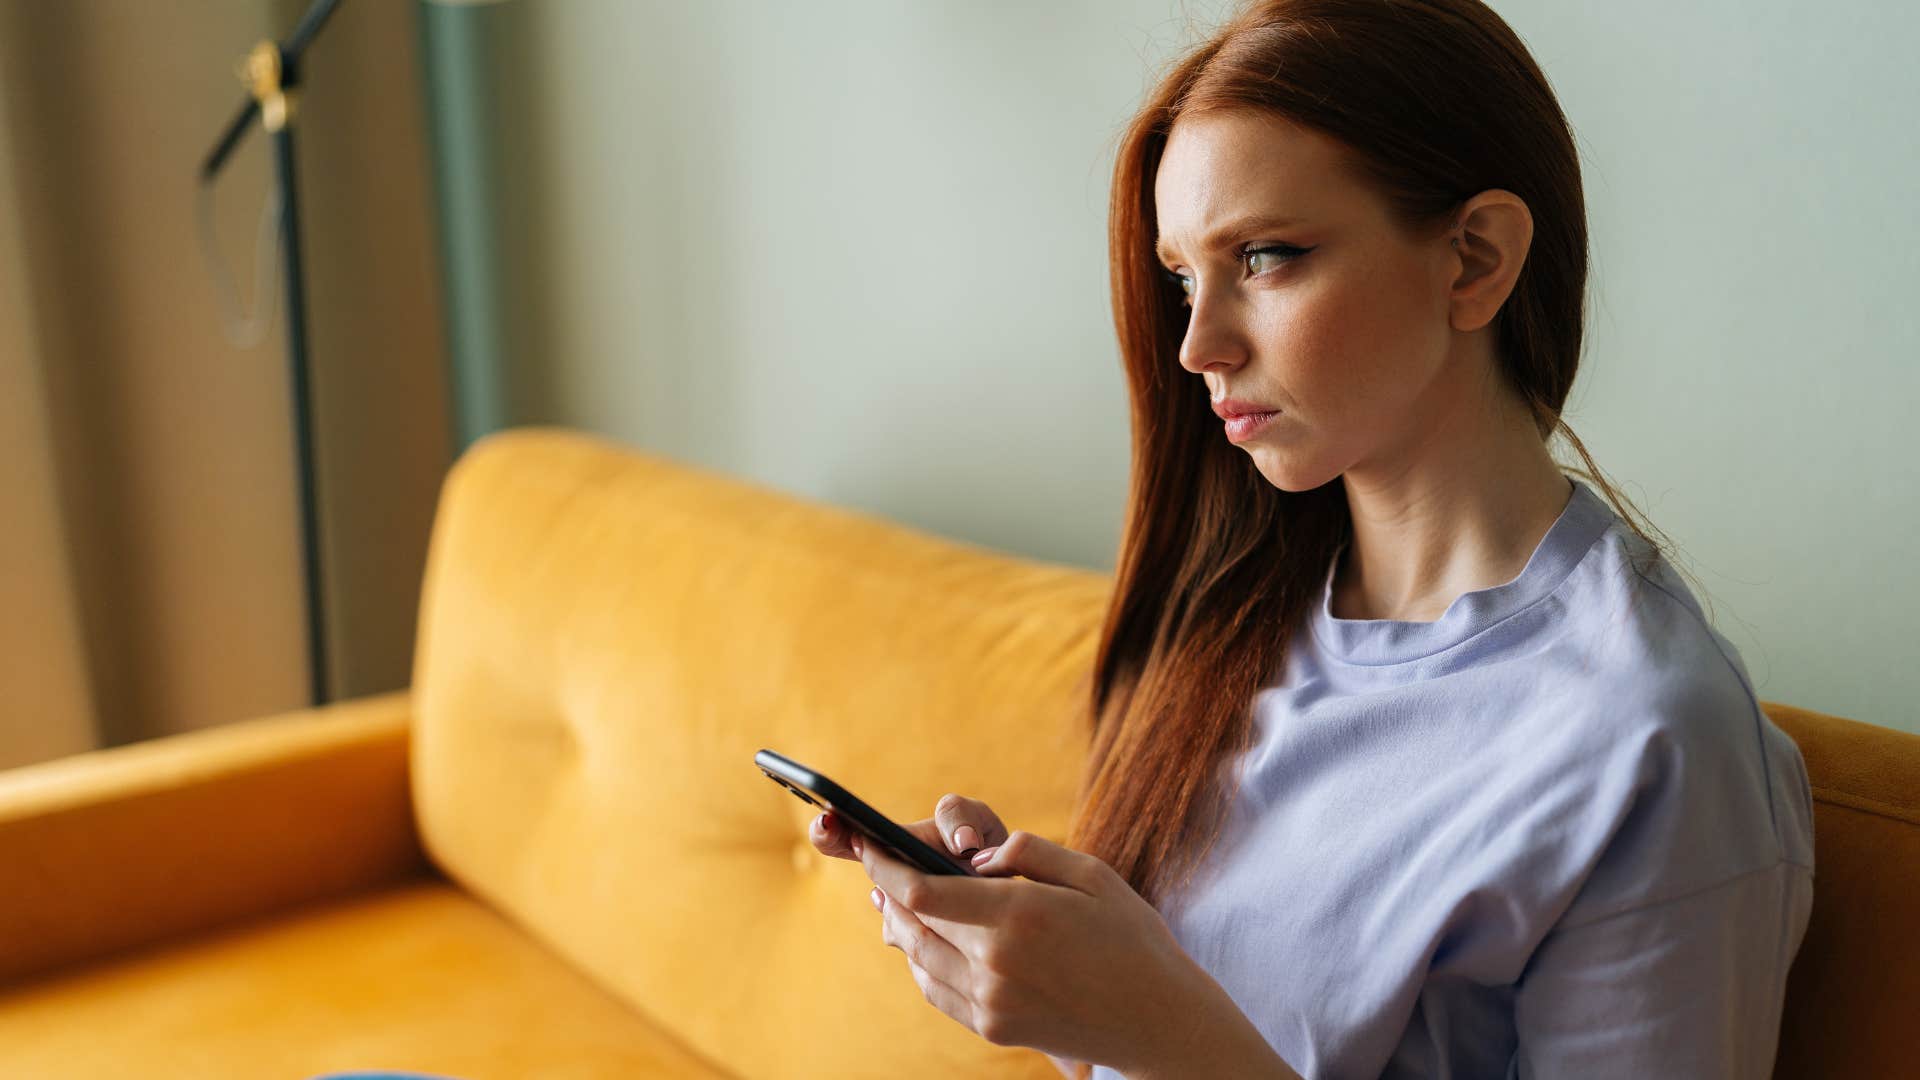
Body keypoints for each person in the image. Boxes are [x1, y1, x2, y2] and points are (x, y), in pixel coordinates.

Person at [811, 0, 1814, 1076]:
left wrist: (1155, 1025)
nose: (1198, 344)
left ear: (1475, 260)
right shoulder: (1241, 609)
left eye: (1269, 257)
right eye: (1184, 276)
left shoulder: (1646, 741)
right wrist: (1061, 956)